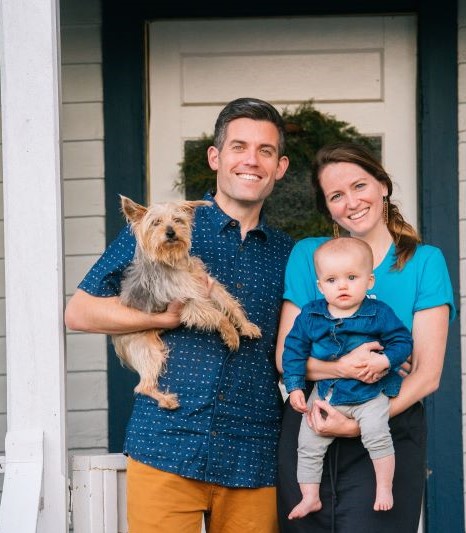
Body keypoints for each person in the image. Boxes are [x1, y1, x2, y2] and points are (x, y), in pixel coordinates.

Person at [64, 97, 294, 533]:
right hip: (165, 444)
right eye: (239, 147)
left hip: (254, 454)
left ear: (280, 167)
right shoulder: (160, 225)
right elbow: (80, 311)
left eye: (265, 151)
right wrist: (161, 319)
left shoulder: (289, 253)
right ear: (215, 157)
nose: (252, 160)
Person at [275, 141, 456, 532]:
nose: (351, 202)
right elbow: (286, 355)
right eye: (336, 195)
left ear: (383, 186)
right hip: (314, 419)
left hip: (387, 426)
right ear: (327, 208)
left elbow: (427, 374)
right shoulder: (309, 256)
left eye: (360, 186)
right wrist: (340, 366)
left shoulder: (424, 262)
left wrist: (360, 425)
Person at [282, 237, 413, 519]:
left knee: (377, 435)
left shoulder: (379, 313)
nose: (342, 285)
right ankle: (310, 497)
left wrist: (385, 359)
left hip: (369, 394)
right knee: (307, 442)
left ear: (369, 281)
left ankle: (384, 487)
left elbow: (402, 341)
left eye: (352, 277)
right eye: (331, 280)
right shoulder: (311, 315)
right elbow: (292, 350)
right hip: (327, 393)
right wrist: (294, 387)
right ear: (320, 286)